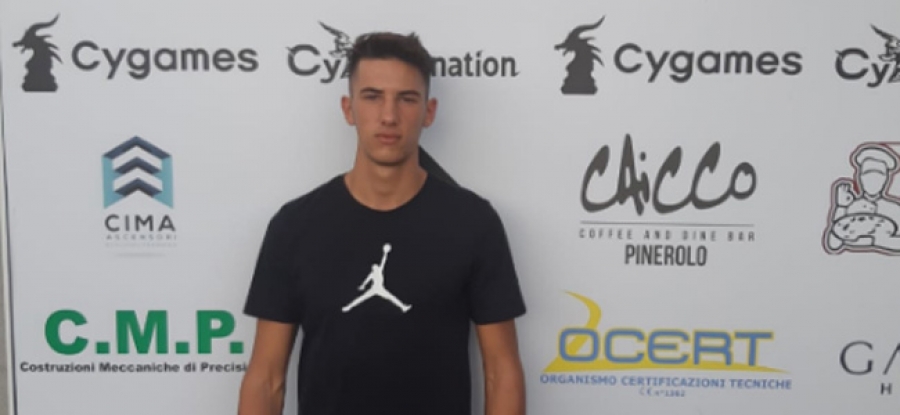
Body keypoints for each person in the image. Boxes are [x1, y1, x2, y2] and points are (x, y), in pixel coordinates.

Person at [238, 31, 527, 415]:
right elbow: (266, 379)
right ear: (348, 109)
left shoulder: (474, 223)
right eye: (372, 97)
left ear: (429, 111)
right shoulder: (293, 227)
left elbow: (501, 373)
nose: (389, 116)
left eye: (406, 99)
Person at [826, 144, 900, 253]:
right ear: (859, 177)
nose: (873, 179)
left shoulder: (894, 208)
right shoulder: (851, 207)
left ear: (886, 178)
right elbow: (833, 244)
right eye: (867, 174)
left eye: (879, 174)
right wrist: (840, 206)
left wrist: (877, 240)